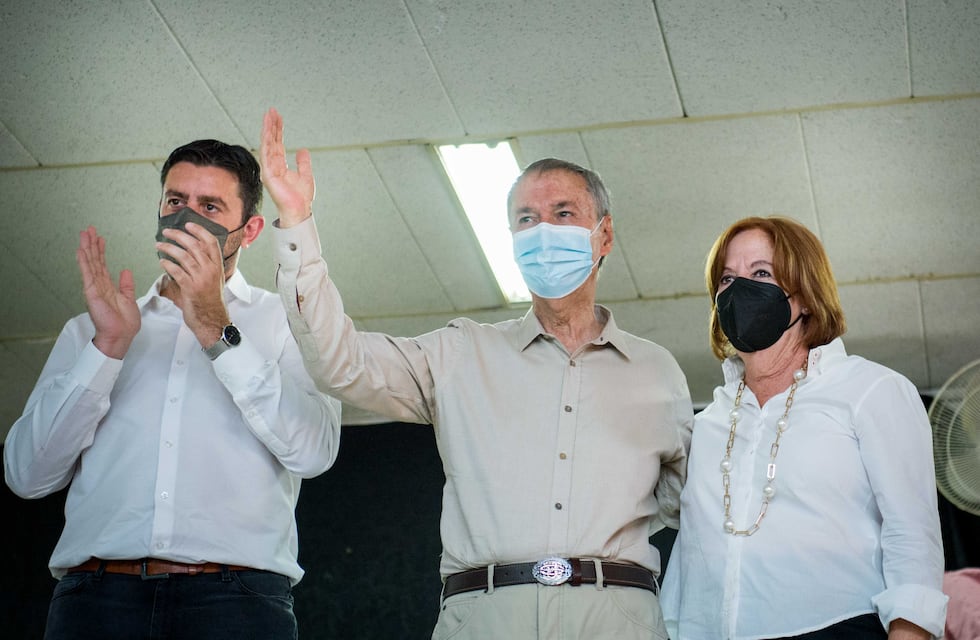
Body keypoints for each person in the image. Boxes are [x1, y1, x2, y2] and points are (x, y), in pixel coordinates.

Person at [260, 107, 692, 639]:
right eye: (526, 219)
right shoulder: (461, 352)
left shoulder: (656, 371)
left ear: (604, 237)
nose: (543, 231)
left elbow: (692, 506)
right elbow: (341, 363)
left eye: (563, 213)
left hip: (617, 619)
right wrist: (297, 224)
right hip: (484, 616)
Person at [4, 139, 342, 640]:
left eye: (210, 207)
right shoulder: (94, 329)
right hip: (95, 602)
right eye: (176, 201)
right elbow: (26, 475)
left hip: (236, 603)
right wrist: (107, 349)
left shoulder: (289, 323)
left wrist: (217, 329)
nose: (187, 219)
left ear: (249, 230)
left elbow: (314, 452)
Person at [661, 216, 948, 639]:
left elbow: (912, 534)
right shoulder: (705, 425)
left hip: (838, 628)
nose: (740, 289)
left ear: (807, 296)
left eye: (761, 273)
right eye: (727, 278)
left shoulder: (870, 390)